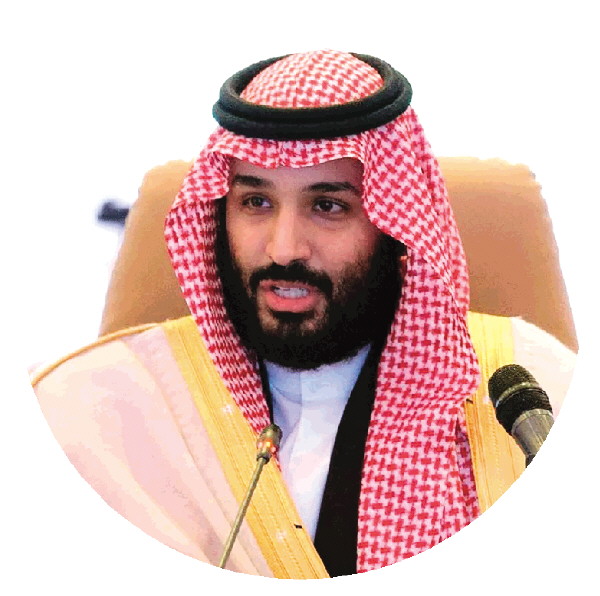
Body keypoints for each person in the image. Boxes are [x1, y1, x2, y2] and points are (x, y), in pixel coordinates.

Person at [32, 50, 576, 578]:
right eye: (256, 202)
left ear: (395, 228)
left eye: (328, 205)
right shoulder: (93, 412)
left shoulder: (537, 393)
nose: (284, 248)